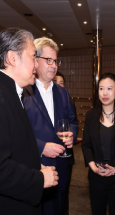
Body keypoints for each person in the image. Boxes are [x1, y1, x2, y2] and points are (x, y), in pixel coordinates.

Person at [0, 28, 59, 215]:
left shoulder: (7, 93)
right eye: (33, 56)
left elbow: (11, 148)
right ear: (12, 58)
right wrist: (38, 178)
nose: (36, 64)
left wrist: (34, 165)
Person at [23, 37, 78, 215]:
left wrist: (71, 134)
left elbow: (73, 121)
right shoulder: (24, 92)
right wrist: (41, 147)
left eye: (55, 61)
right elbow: (17, 131)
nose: (53, 65)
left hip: (62, 167)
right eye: (48, 60)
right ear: (36, 61)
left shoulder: (63, 93)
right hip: (36, 168)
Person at [81, 73, 115, 215]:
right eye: (101, 88)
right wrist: (94, 168)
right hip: (96, 177)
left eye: (109, 89)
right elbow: (86, 145)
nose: (105, 93)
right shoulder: (90, 116)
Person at [53, 71, 76, 215]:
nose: (58, 85)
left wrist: (72, 134)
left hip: (65, 156)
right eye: (56, 82)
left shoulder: (66, 99)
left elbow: (73, 122)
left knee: (63, 196)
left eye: (61, 83)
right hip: (47, 157)